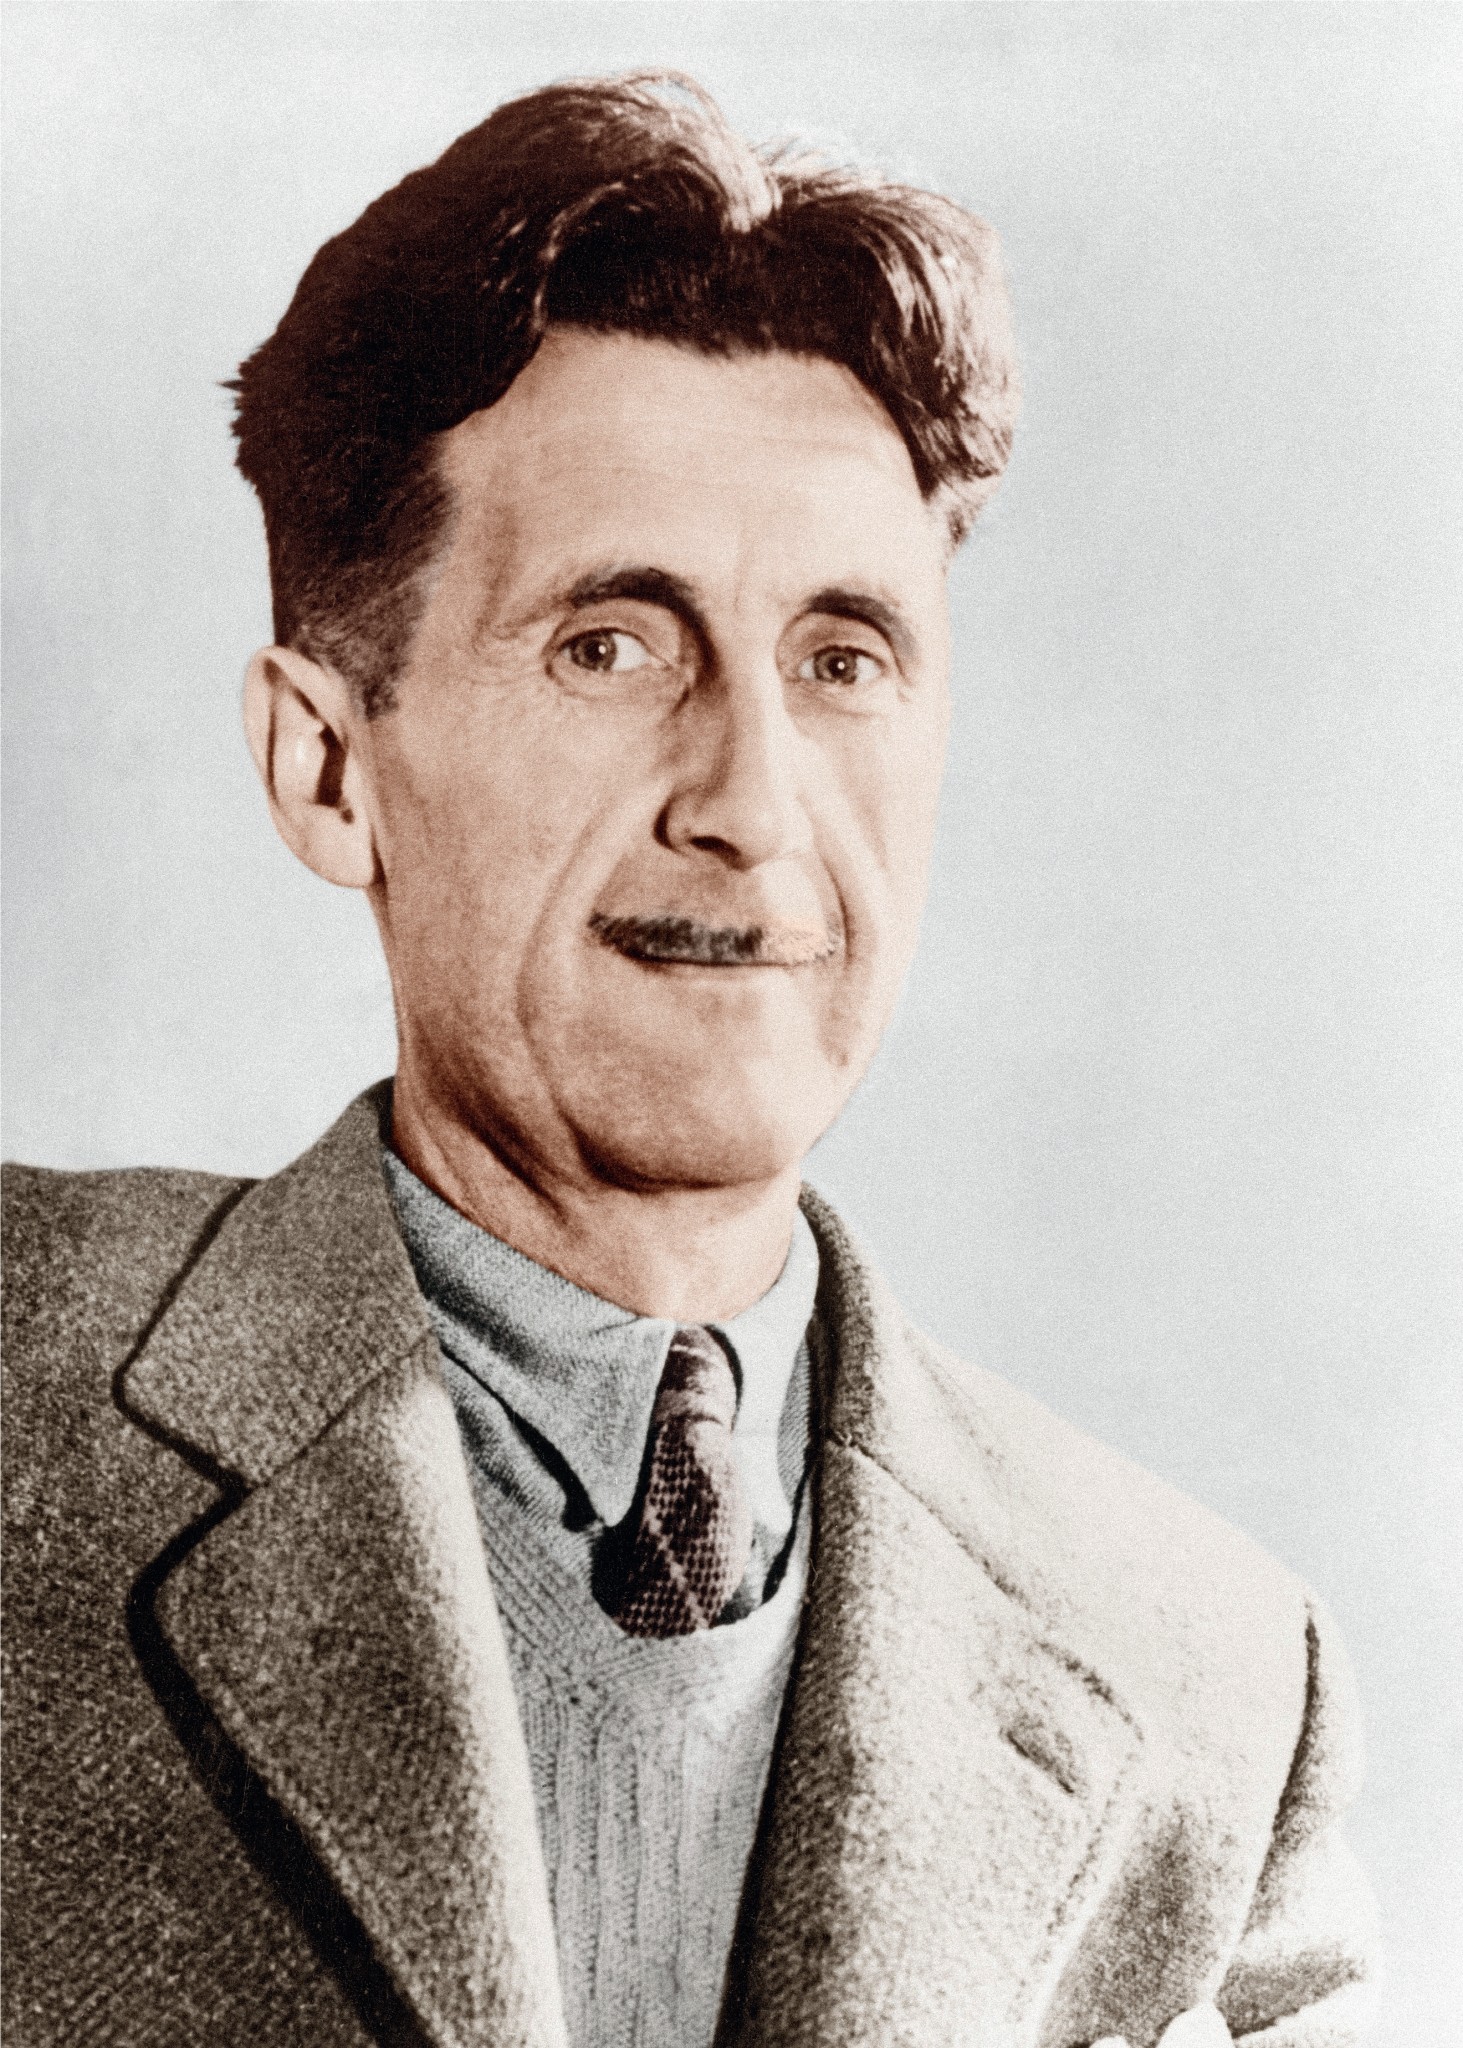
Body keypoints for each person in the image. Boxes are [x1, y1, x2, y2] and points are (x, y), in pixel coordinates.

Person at [1, 73, 1376, 2048]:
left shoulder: (1210, 1689)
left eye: (841, 659)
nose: (751, 802)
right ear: (326, 766)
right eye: (613, 645)